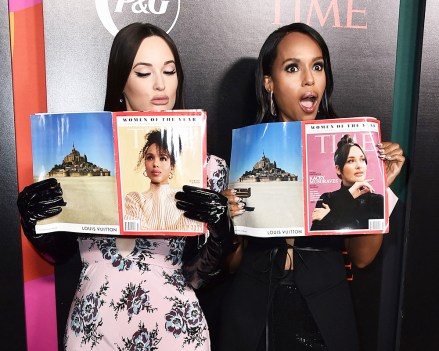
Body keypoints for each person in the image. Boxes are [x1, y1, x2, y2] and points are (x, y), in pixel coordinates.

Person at [17, 22, 233, 351]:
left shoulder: (206, 168)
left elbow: (197, 274)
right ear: (122, 82)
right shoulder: (87, 163)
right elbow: (59, 254)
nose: (161, 85)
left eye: (170, 70)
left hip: (174, 328)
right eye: (144, 73)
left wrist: (221, 232)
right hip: (94, 327)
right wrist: (36, 226)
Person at [220, 23, 405, 351]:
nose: (309, 79)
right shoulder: (247, 153)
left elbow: (361, 259)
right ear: (269, 83)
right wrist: (229, 223)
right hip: (252, 312)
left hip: (324, 313)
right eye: (293, 68)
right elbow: (233, 264)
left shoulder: (349, 151)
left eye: (317, 66)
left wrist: (377, 189)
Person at [123, 128, 200, 231]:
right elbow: (140, 238)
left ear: (172, 165)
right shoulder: (134, 199)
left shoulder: (185, 200)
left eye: (163, 158)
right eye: (150, 158)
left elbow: (188, 238)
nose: (155, 164)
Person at [311, 134, 384, 231]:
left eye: (362, 160)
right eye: (351, 161)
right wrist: (349, 196)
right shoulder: (327, 198)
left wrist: (329, 217)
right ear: (338, 169)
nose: (359, 166)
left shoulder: (376, 201)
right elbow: (310, 242)